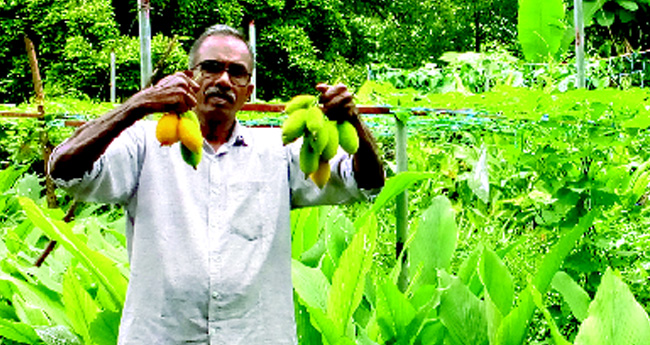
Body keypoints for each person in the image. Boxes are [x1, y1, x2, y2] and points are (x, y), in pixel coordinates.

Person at [48, 24, 384, 344]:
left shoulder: (278, 151)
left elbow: (366, 181)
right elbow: (65, 171)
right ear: (190, 77)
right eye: (211, 67)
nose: (223, 79)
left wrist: (351, 118)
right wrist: (138, 105)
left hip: (256, 336)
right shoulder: (145, 145)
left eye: (236, 72)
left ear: (248, 91)